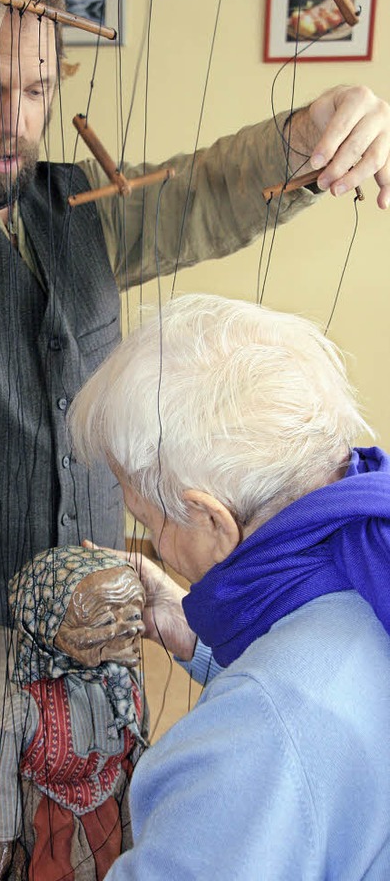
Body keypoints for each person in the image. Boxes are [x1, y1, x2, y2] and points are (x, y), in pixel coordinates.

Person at [0, 0, 390, 877]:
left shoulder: (77, 207)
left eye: (39, 87)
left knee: (78, 844)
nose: (13, 119)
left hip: (89, 632)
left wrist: (304, 139)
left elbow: (199, 194)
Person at [68, 293, 390, 879]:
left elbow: (287, 719)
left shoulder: (256, 736)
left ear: (212, 519)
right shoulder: (369, 556)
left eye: (147, 523)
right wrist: (196, 638)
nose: (153, 545)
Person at [0, 545, 146, 881]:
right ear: (49, 624)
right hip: (48, 827)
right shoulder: (25, 707)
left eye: (133, 615)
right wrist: (0, 838)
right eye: (107, 620)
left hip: (113, 812)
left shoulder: (124, 685)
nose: (129, 630)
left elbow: (137, 748)